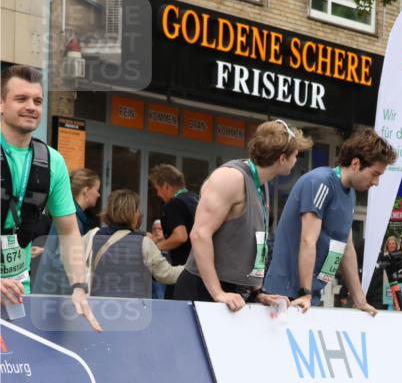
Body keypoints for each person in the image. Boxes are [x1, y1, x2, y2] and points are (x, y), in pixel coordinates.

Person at [174, 120, 312, 310]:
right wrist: (217, 292)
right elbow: (199, 234)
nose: (297, 160)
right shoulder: (231, 177)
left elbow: (250, 242)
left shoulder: (260, 182)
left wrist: (258, 292)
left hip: (235, 292)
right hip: (203, 289)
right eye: (296, 155)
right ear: (282, 158)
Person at [0, 65, 99, 329]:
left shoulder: (52, 161)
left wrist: (78, 285)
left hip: (17, 299)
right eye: (21, 99)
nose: (31, 106)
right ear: (1, 103)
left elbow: (68, 232)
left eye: (37, 101)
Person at [264, 127, 393, 312]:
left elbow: (346, 249)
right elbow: (308, 240)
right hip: (286, 295)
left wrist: (360, 300)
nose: (376, 182)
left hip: (309, 297)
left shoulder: (350, 195)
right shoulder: (321, 182)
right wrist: (305, 292)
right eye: (375, 174)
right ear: (356, 164)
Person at [83, 189, 182, 298]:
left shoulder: (92, 236)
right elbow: (167, 274)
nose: (140, 213)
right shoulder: (144, 243)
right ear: (133, 214)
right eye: (137, 210)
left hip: (100, 307)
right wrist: (191, 267)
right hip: (134, 310)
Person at [31, 167, 101, 295]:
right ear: (86, 190)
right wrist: (75, 293)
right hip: (54, 295)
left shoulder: (69, 215)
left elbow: (58, 251)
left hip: (47, 292)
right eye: (97, 189)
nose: (98, 194)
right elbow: (62, 262)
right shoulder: (72, 220)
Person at [148, 164, 198, 299]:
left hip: (182, 274)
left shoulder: (174, 203)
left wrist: (155, 247)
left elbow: (180, 236)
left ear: (166, 186)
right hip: (200, 272)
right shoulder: (195, 199)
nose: (158, 194)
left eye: (157, 189)